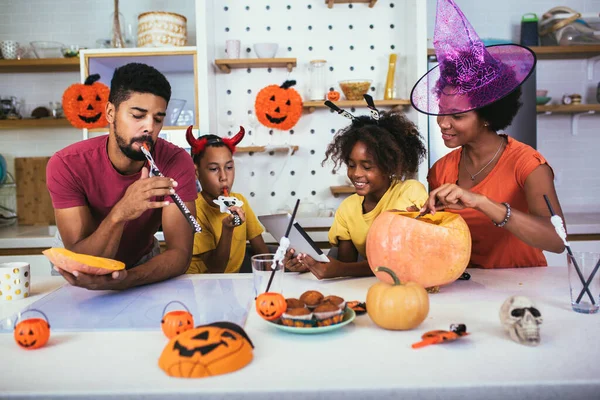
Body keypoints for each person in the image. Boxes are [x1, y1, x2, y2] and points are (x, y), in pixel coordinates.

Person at [411, 0, 565, 268]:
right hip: (465, 289)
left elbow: (557, 240)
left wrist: (482, 202)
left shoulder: (527, 164)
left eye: (457, 116)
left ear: (486, 116)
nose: (443, 124)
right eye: (441, 112)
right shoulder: (441, 171)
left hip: (524, 288)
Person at [46, 62, 197, 289]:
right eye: (138, 115)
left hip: (142, 264)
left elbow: (180, 253)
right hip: (77, 266)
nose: (149, 128)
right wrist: (121, 212)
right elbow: (83, 259)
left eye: (157, 119)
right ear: (110, 112)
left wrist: (127, 279)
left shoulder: (175, 161)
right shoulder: (67, 165)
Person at [286, 102, 428, 279]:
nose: (356, 174)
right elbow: (346, 266)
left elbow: (408, 257)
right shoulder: (348, 208)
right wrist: (308, 264)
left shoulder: (410, 193)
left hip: (410, 286)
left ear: (389, 166)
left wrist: (341, 270)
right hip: (368, 287)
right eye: (351, 165)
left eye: (367, 167)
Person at [185, 127, 269, 273]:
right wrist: (227, 229)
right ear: (196, 172)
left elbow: (262, 254)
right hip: (198, 287)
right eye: (213, 169)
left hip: (230, 286)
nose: (224, 176)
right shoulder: (193, 209)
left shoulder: (240, 201)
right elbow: (216, 269)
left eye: (229, 167)